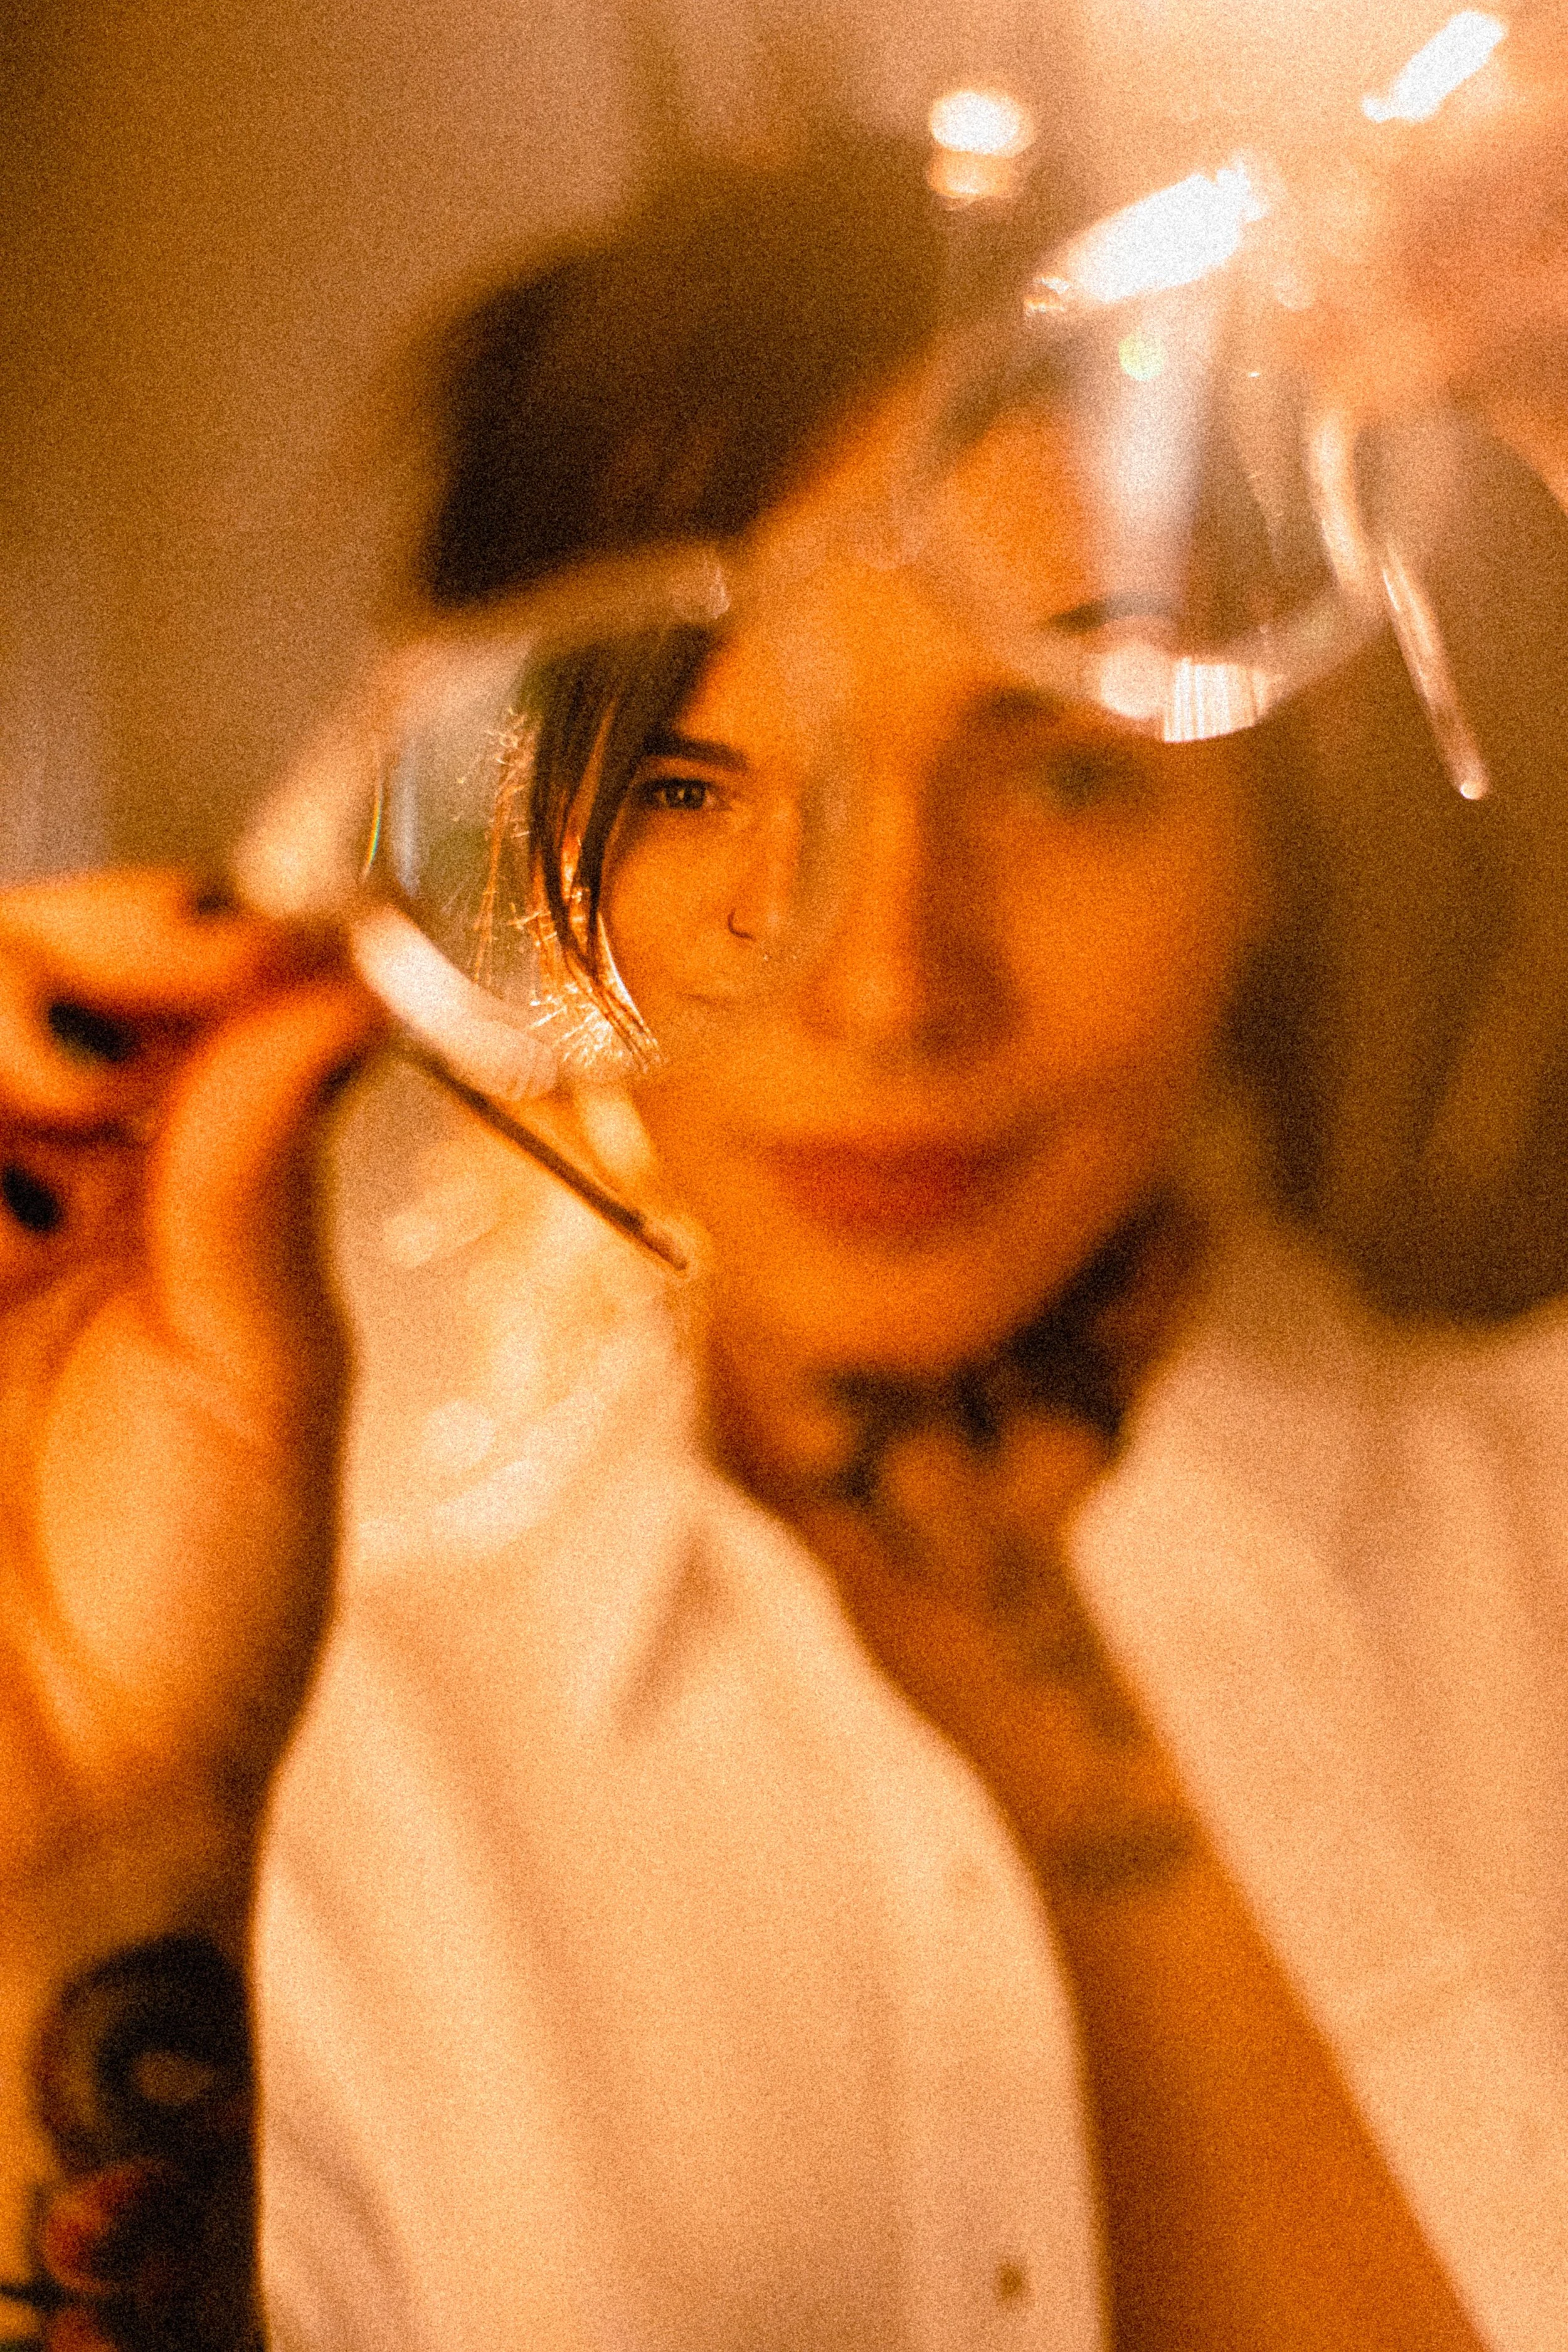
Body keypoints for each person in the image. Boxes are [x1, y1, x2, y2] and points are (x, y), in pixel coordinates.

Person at [1, 52, 1567, 2352]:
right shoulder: (309, 1833)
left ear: (1276, 820)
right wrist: (94, 1872)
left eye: (1059, 770)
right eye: (697, 780)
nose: (884, 985)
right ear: (521, 847)